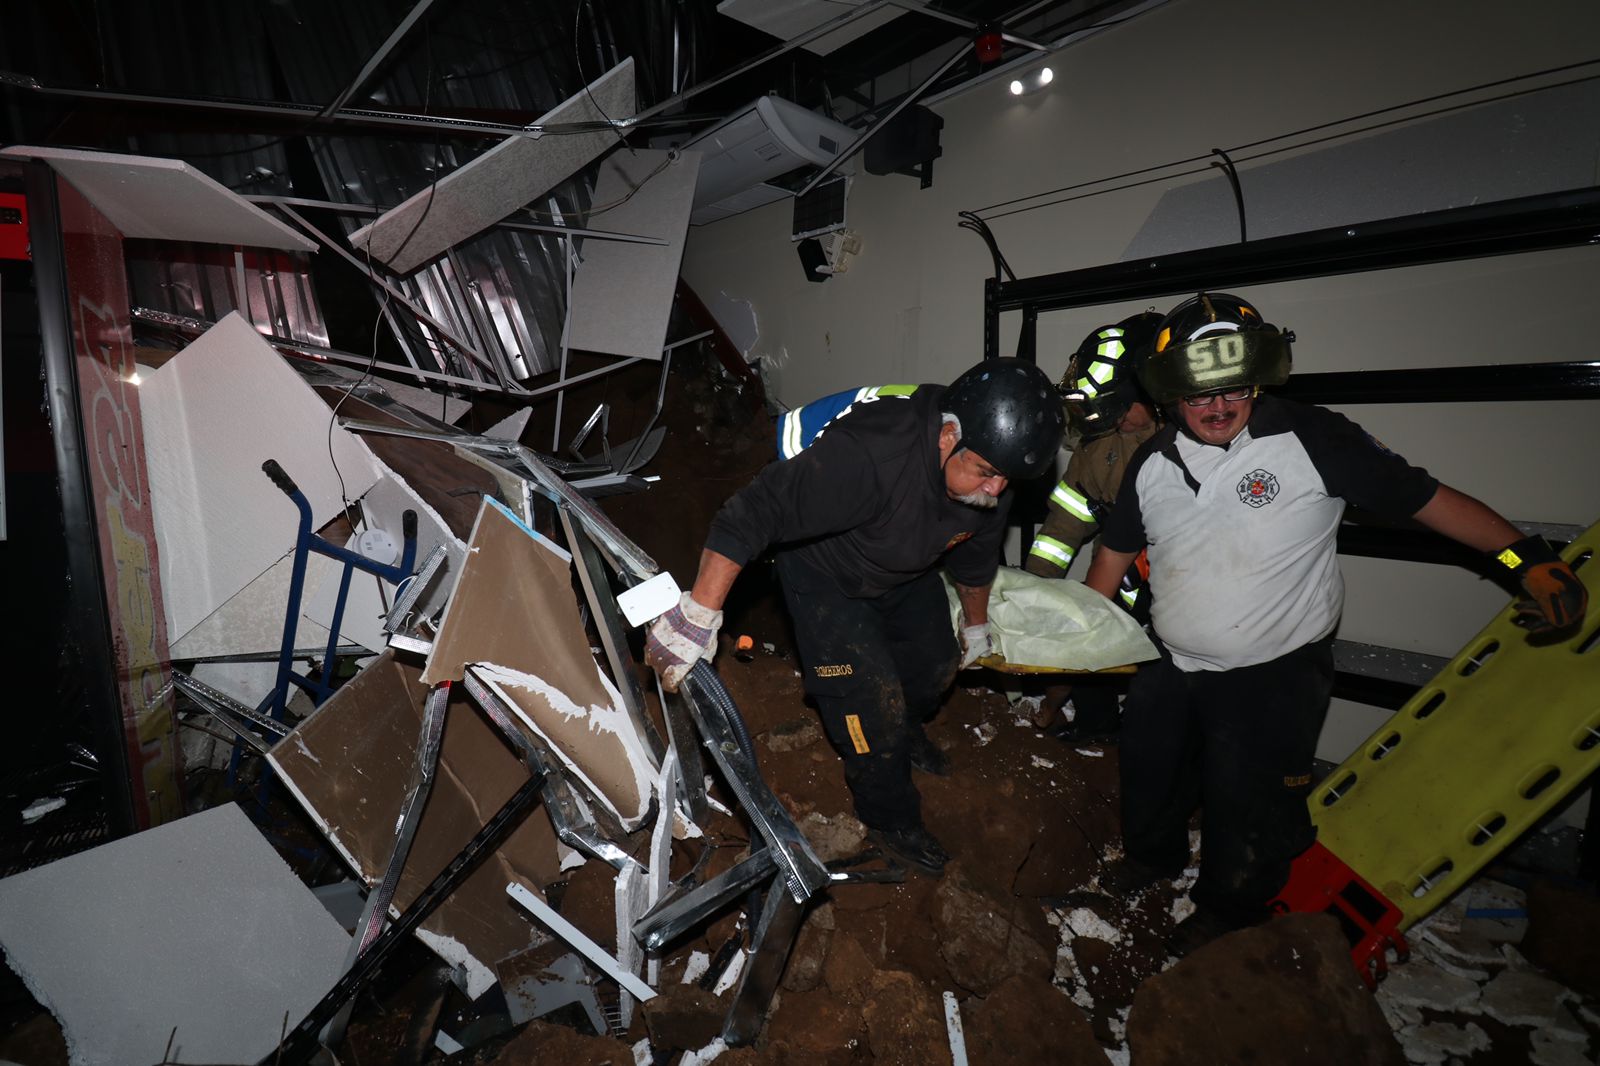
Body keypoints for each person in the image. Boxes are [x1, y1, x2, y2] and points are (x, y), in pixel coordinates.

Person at [1083, 292, 1587, 954]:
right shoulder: (1154, 459)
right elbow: (1113, 552)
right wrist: (1086, 638)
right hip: (1171, 662)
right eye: (1198, 392)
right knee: (1150, 768)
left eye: (1233, 387)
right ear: (1170, 392)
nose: (1217, 405)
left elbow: (1428, 500)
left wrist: (1529, 560)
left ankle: (1229, 911)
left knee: (1249, 803)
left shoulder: (1314, 438)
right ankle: (1152, 858)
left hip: (1274, 671)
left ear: (1258, 377)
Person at [646, 358, 1066, 875]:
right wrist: (699, 612)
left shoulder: (990, 468)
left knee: (936, 664)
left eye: (1006, 479)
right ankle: (889, 818)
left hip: (903, 570)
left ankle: (906, 730)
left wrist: (974, 625)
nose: (997, 490)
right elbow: (751, 513)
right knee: (868, 703)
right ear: (946, 435)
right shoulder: (872, 454)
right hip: (826, 575)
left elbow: (975, 559)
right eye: (986, 473)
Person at [1024, 312, 1163, 739]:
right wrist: (1032, 592)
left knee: (1161, 683)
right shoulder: (1099, 445)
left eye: (1121, 409)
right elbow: (1066, 521)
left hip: (1180, 586)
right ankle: (1096, 731)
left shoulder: (1188, 442)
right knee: (1090, 644)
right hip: (1116, 570)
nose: (1115, 420)